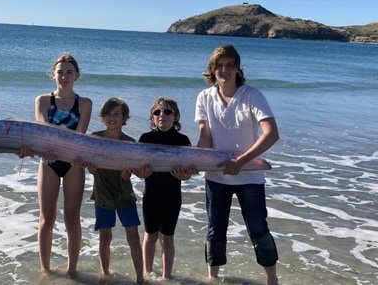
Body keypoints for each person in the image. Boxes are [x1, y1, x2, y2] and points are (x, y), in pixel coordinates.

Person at [195, 44, 280, 285]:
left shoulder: (251, 94)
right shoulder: (204, 97)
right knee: (215, 230)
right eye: (219, 65)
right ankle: (212, 279)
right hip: (216, 176)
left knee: (258, 228)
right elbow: (205, 137)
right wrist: (193, 161)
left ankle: (272, 280)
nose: (225, 70)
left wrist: (240, 162)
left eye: (230, 65)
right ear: (212, 69)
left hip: (249, 177)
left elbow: (271, 133)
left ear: (237, 68)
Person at [33, 53, 92, 276]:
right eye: (60, 72)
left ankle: (72, 270)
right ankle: (45, 270)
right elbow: (44, 129)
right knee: (46, 218)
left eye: (69, 72)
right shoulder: (43, 100)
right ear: (53, 75)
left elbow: (80, 135)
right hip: (48, 162)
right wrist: (51, 147)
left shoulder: (84, 103)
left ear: (76, 75)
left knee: (72, 218)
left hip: (73, 163)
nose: (64, 76)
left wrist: (65, 151)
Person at [81, 97, 147, 284]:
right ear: (102, 117)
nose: (112, 117)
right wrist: (90, 168)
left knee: (132, 236)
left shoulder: (130, 142)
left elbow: (126, 178)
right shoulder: (95, 138)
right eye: (108, 114)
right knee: (105, 237)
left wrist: (127, 172)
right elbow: (92, 170)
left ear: (124, 117)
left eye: (117, 114)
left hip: (124, 196)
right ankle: (105, 273)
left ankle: (140, 278)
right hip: (102, 194)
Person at [138, 97, 196, 280]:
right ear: (152, 118)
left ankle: (166, 276)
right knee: (150, 235)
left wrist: (183, 176)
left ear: (176, 117)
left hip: (172, 196)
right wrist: (142, 174)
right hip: (151, 195)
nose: (162, 115)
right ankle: (146, 272)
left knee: (167, 237)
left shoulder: (183, 140)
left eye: (167, 111)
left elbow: (188, 173)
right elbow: (138, 170)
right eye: (157, 112)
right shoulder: (145, 139)